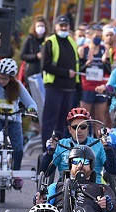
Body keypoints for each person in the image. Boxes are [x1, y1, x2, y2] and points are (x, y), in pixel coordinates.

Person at [0, 58, 38, 190]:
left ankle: (16, 173)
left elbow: (30, 102)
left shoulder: (18, 86)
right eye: (0, 77)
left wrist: (32, 108)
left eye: (5, 78)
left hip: (13, 119)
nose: (2, 81)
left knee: (18, 147)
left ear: (11, 77)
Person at [44, 147, 116, 212]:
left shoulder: (101, 188)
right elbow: (45, 205)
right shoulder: (56, 186)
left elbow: (114, 206)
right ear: (70, 164)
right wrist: (39, 201)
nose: (79, 165)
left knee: (84, 210)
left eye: (85, 161)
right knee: (57, 211)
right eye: (75, 161)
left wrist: (107, 204)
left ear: (92, 165)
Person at [40, 107, 116, 185]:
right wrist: (50, 152)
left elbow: (113, 171)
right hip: (66, 190)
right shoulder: (61, 144)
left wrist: (108, 148)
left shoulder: (99, 144)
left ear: (88, 129)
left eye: (83, 127)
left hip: (94, 189)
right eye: (75, 127)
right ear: (69, 129)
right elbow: (44, 172)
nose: (79, 130)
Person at [41, 15, 80, 144]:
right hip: (54, 87)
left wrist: (78, 86)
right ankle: (47, 148)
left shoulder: (72, 42)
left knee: (64, 121)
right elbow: (46, 65)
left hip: (69, 88)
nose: (64, 28)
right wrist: (65, 73)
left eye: (66, 25)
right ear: (55, 27)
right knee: (50, 119)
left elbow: (76, 64)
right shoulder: (50, 42)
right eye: (61, 25)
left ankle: (62, 148)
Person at [78, 25, 109, 124]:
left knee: (99, 118)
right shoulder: (83, 50)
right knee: (85, 117)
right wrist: (88, 63)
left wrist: (105, 62)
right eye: (96, 36)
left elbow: (109, 71)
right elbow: (78, 70)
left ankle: (98, 138)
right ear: (90, 36)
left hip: (100, 87)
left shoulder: (105, 49)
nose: (98, 39)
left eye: (100, 37)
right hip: (86, 87)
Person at [19, 15, 49, 84]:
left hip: (43, 72)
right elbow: (22, 55)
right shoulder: (30, 39)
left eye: (42, 26)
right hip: (31, 71)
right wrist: (35, 56)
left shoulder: (47, 40)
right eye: (38, 26)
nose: (40, 28)